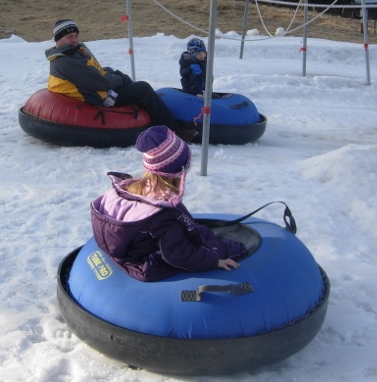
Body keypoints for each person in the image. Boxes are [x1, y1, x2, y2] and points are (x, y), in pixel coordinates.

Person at [90, 125, 246, 282]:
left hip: (130, 245)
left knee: (199, 231)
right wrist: (214, 261)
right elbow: (178, 254)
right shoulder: (163, 215)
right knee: (233, 249)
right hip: (148, 259)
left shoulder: (129, 189)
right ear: (179, 171)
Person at [46, 19, 196, 141]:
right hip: (99, 98)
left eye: (75, 36)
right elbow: (102, 82)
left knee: (129, 84)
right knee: (142, 89)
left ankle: (155, 119)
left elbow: (96, 70)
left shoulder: (74, 51)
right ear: (58, 39)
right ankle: (174, 131)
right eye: (69, 37)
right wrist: (121, 80)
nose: (74, 40)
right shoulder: (65, 61)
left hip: (97, 89)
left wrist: (117, 75)